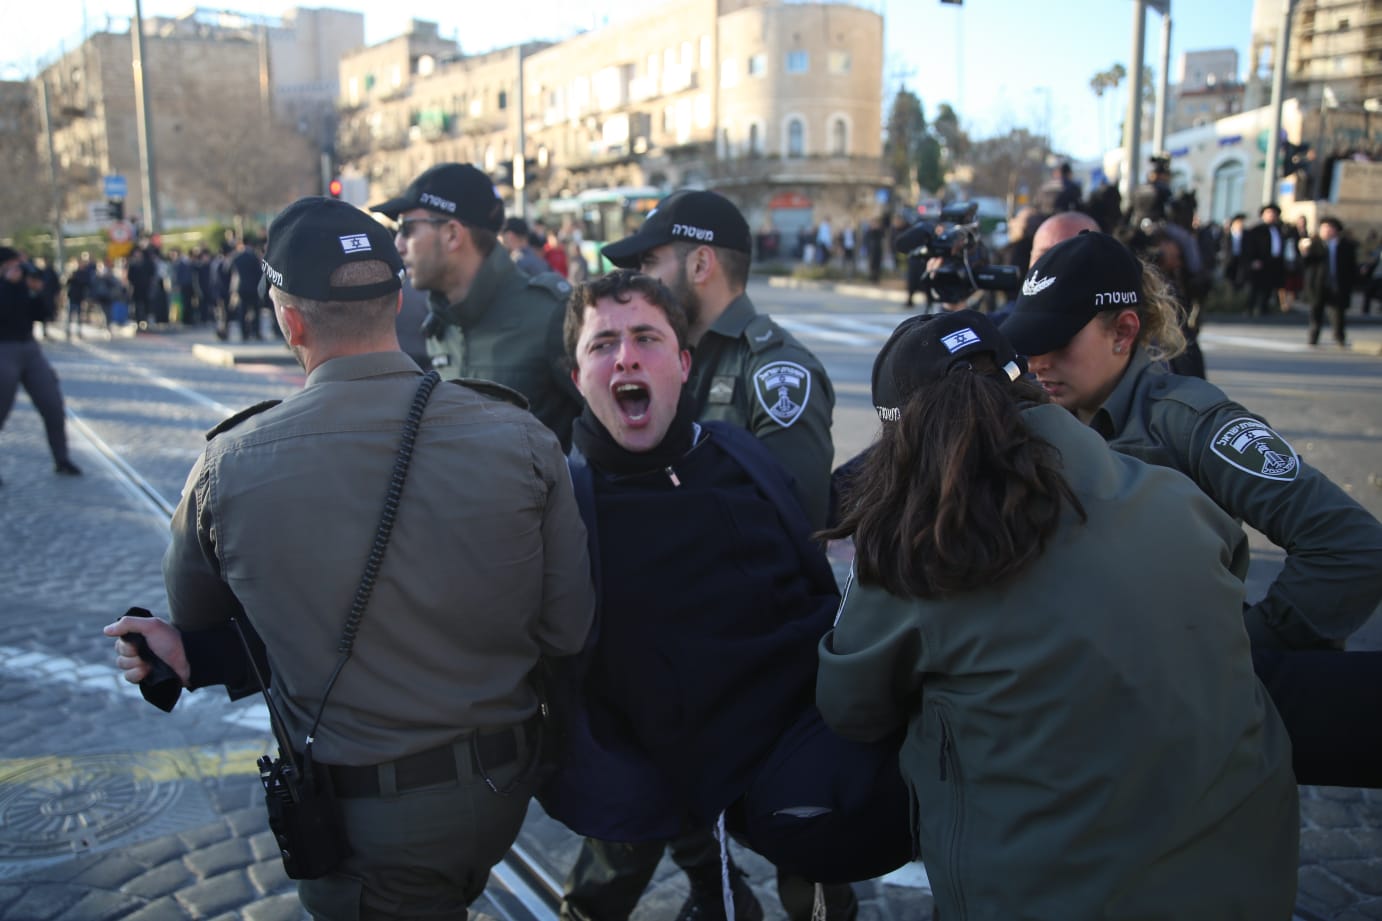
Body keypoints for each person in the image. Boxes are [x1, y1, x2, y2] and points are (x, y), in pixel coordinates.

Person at [102, 196, 596, 920]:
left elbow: (216, 624)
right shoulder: (519, 433)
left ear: (289, 320)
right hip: (502, 789)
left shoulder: (228, 466)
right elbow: (568, 629)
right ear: (397, 301)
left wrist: (187, 652)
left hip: (368, 816)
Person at [817, 308, 1300, 921]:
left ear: (902, 439)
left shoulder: (921, 558)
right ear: (1030, 386)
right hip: (1248, 880)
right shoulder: (1182, 500)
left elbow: (850, 705)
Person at [1001, 230, 1382, 786]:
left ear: (1124, 332)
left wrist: (1242, 653)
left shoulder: (1189, 420)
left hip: (1178, 748)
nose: (1036, 360)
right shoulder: (1035, 413)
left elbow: (1351, 549)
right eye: (1028, 340)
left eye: (1057, 340)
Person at [550, 270, 864, 921]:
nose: (627, 355)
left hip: (796, 760)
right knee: (603, 887)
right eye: (602, 344)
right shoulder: (561, 507)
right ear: (578, 377)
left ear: (684, 363)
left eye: (646, 337)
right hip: (652, 774)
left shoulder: (739, 454)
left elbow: (811, 581)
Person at [602, 189, 835, 529]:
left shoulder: (774, 369)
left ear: (700, 265)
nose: (639, 280)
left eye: (650, 262)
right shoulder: (660, 359)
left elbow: (794, 519)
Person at [371, 163, 581, 450]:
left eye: (408, 230)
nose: (399, 245)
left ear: (453, 235)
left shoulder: (549, 313)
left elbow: (603, 429)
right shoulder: (440, 322)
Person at [1, 249, 83, 483]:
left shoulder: (25, 286)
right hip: (3, 348)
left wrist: (37, 291)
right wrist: (7, 285)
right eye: (15, 265)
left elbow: (45, 314)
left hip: (29, 347)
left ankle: (62, 459)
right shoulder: (6, 286)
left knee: (53, 405)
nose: (21, 269)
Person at [1299, 215, 1358, 347]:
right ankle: (1314, 336)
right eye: (1323, 228)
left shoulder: (1345, 246)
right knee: (1316, 312)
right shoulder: (1314, 244)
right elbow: (1305, 264)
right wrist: (1304, 252)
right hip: (1318, 284)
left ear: (1336, 230)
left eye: (1329, 228)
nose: (1326, 231)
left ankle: (1339, 336)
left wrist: (1352, 283)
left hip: (1337, 283)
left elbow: (1352, 267)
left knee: (1338, 313)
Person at [1242, 203, 1287, 318]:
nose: (1272, 216)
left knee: (1269, 288)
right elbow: (1249, 247)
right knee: (1255, 288)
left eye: (1274, 214)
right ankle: (1250, 309)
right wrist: (1253, 260)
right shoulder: (1256, 230)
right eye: (1269, 213)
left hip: (1274, 263)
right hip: (1260, 263)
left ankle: (1264, 309)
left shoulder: (1279, 230)